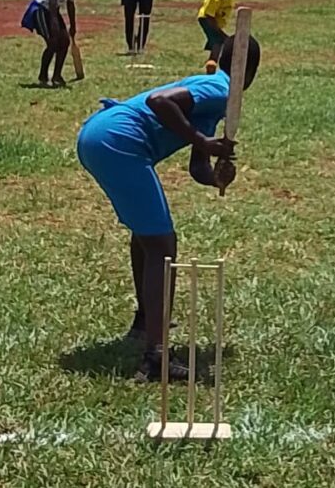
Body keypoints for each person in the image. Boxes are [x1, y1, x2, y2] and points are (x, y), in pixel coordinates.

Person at [76, 35, 262, 380]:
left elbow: (197, 166)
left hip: (101, 136)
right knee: (162, 245)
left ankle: (145, 323)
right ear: (249, 73)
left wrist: (216, 178)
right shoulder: (220, 88)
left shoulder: (215, 96)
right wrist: (202, 139)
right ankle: (156, 358)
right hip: (118, 140)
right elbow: (159, 101)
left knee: (148, 236)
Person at [20, 0, 83, 87]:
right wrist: (54, 22)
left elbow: (70, 3)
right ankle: (43, 76)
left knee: (64, 41)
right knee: (53, 42)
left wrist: (73, 25)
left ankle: (57, 76)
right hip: (41, 9)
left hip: (52, 11)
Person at [198, 0, 239, 73]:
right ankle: (213, 63)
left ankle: (212, 63)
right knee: (219, 40)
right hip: (206, 19)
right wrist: (220, 33)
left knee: (217, 42)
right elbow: (209, 17)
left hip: (217, 21)